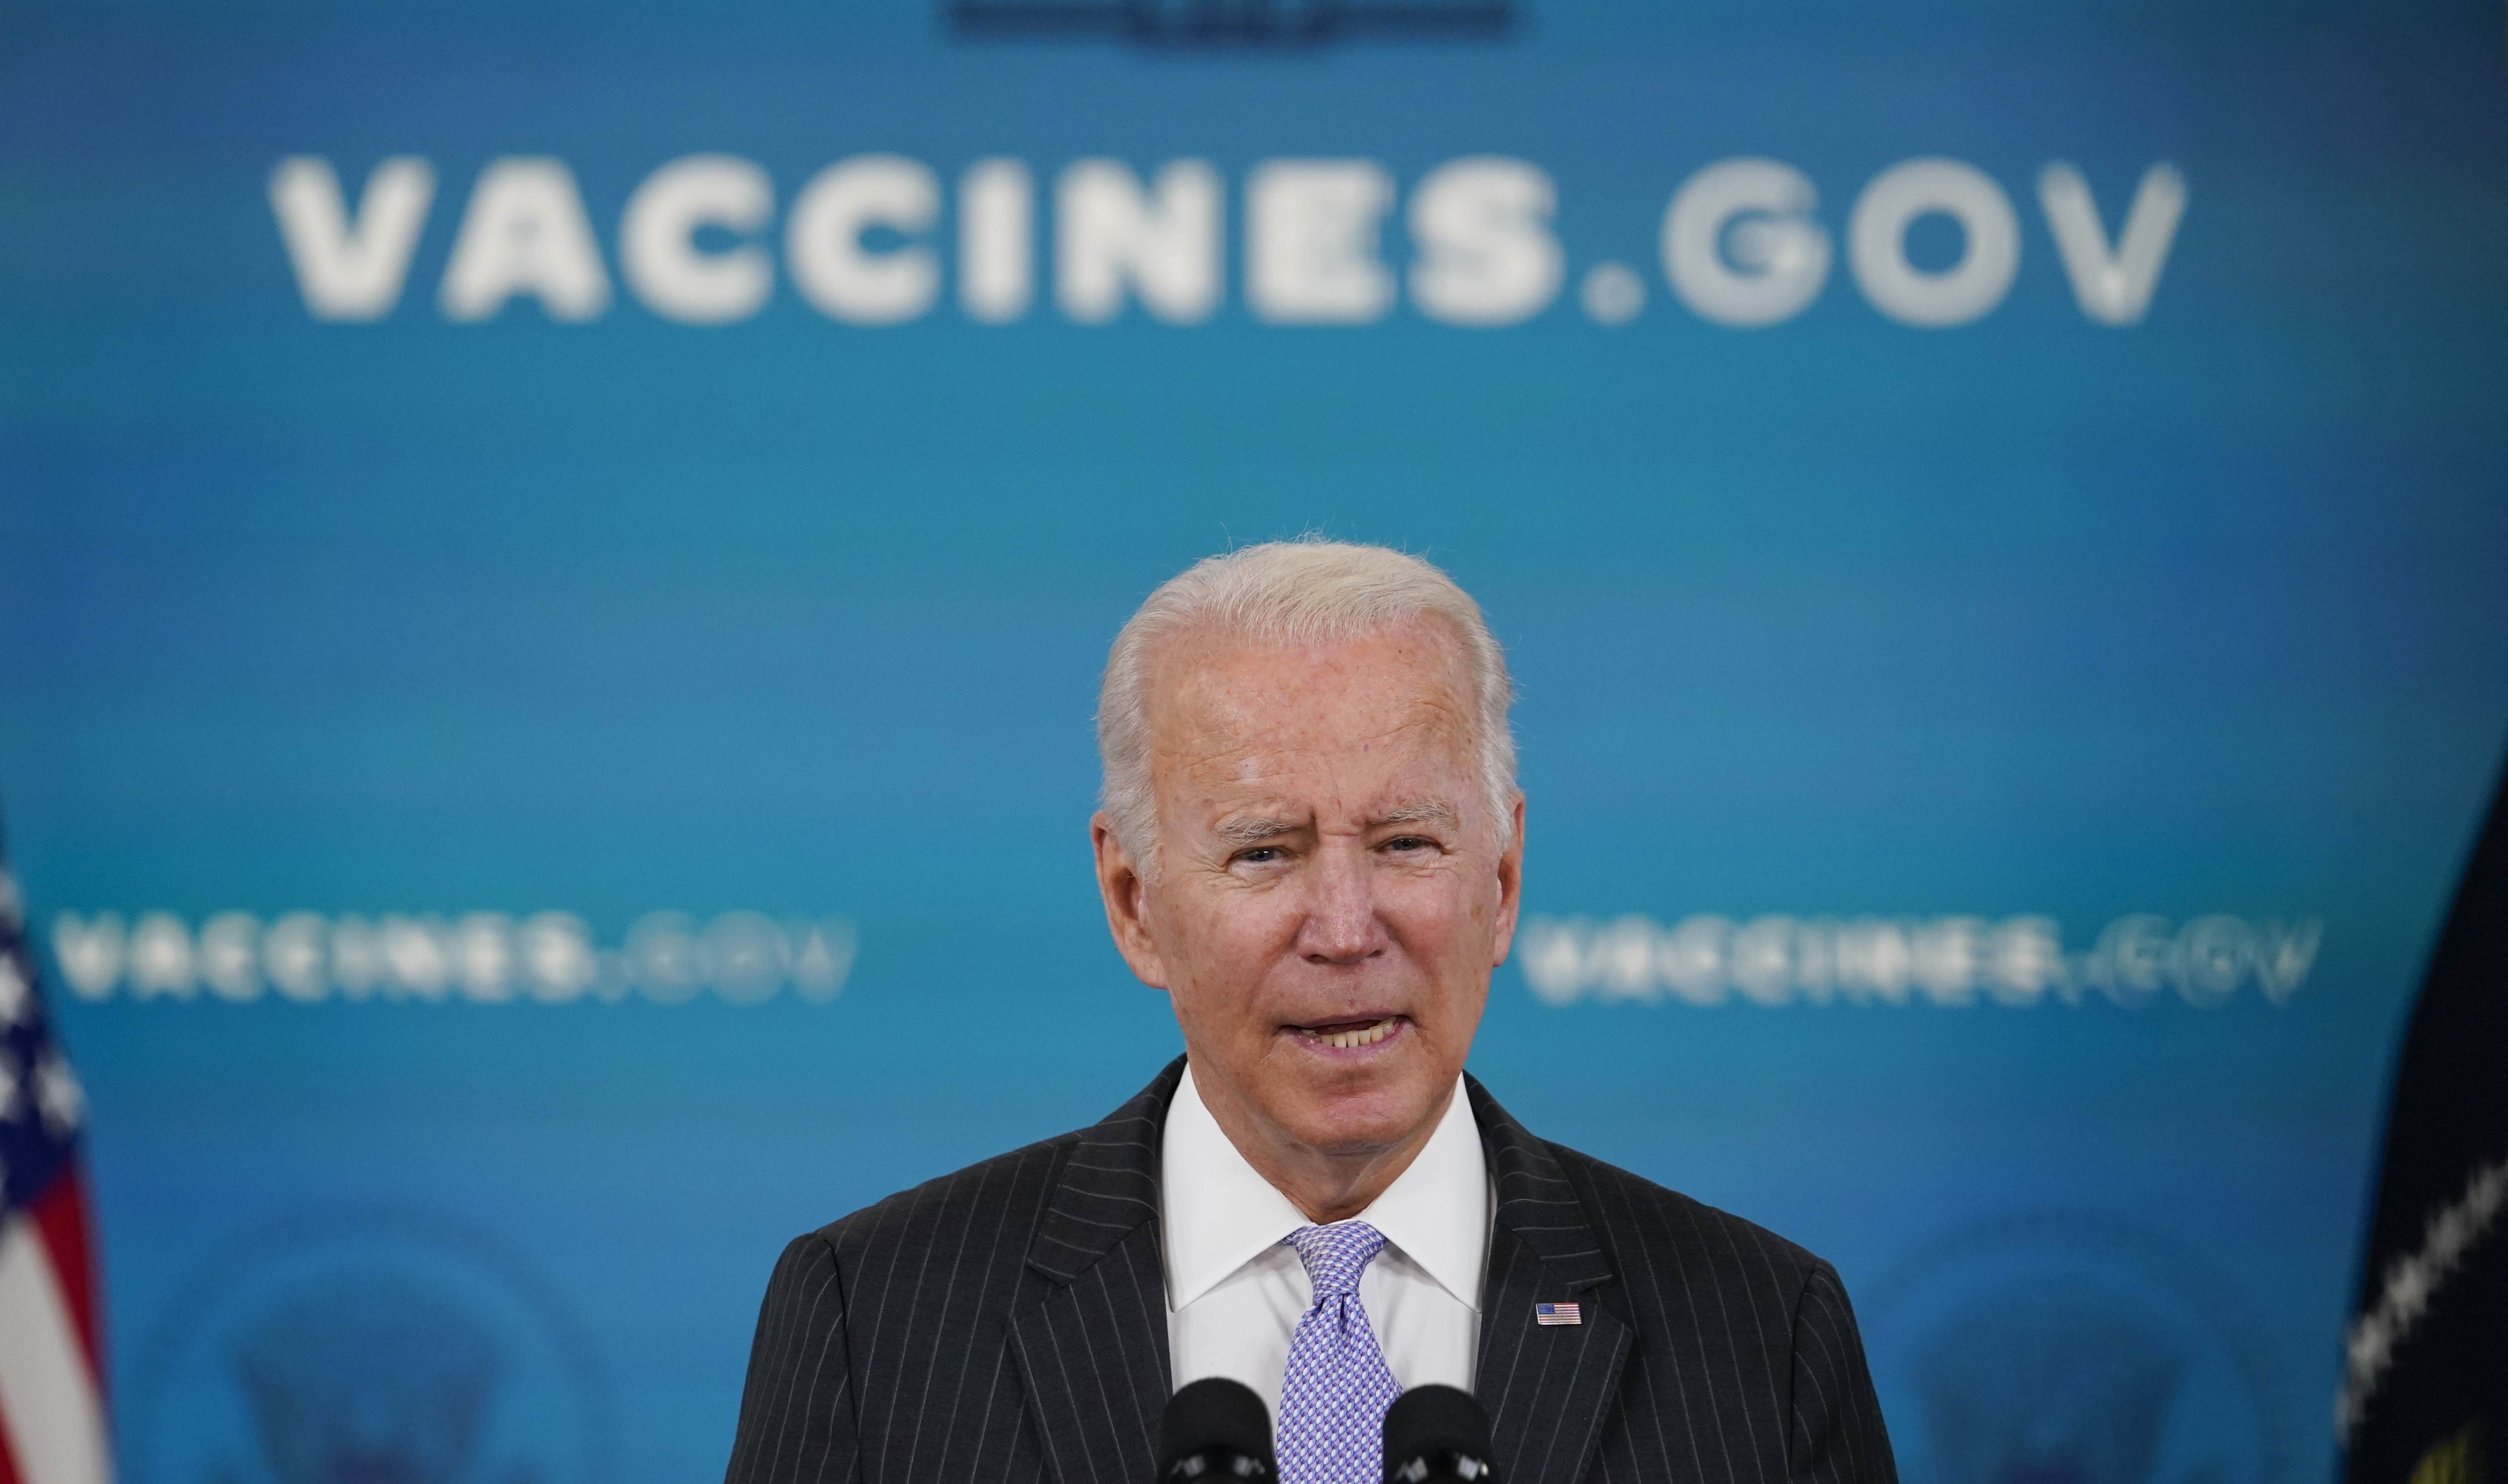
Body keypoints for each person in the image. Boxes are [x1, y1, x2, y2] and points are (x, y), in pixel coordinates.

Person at [725, 541, 1896, 1484]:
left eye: (1406, 844)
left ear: (1502, 881)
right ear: (1134, 904)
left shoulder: (1762, 1334)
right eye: (1265, 852)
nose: (1345, 926)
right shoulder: (874, 1322)